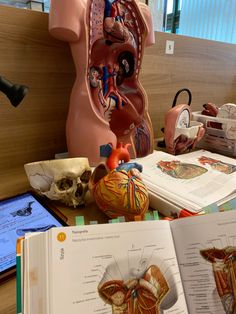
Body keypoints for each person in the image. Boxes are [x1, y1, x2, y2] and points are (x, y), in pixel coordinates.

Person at [49, 0, 155, 165]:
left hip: (135, 115)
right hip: (91, 110)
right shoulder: (72, 2)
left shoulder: (143, 12)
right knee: (97, 173)